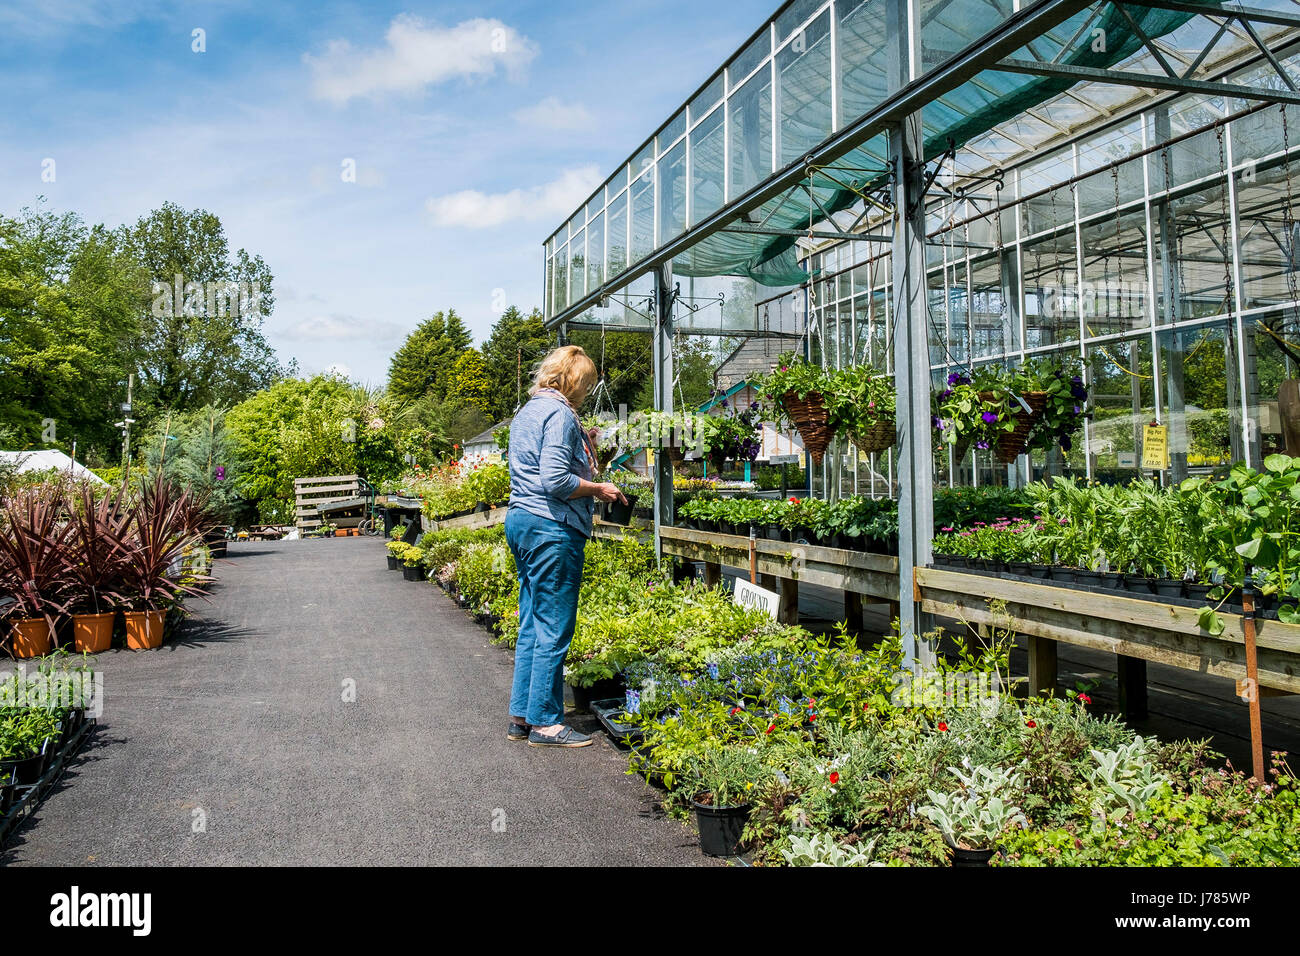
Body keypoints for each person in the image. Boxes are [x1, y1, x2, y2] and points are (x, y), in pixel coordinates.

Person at [504, 345, 626, 748]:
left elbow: (541, 465)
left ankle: (522, 716)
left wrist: (583, 445)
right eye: (586, 385)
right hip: (551, 527)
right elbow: (556, 480)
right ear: (574, 381)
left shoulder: (528, 412)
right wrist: (599, 488)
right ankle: (546, 724)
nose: (587, 393)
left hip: (522, 520)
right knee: (554, 625)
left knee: (532, 623)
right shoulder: (559, 414)